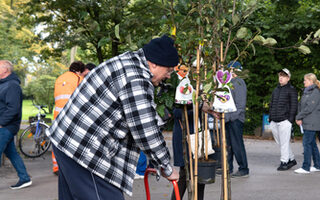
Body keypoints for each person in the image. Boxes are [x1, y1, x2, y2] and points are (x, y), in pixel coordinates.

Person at [46, 35, 179, 199]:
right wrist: (166, 166)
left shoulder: (127, 62)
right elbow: (145, 131)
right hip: (85, 150)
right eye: (168, 70)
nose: (168, 75)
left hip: (67, 141)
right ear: (154, 63)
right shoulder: (136, 78)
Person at [51, 61, 89, 175]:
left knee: (57, 141)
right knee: (74, 141)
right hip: (71, 115)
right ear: (79, 71)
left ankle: (57, 167)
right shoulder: (79, 79)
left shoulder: (59, 78)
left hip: (57, 114)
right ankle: (74, 167)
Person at [0, 60, 32, 189]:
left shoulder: (12, 85)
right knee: (11, 153)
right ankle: (24, 178)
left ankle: (25, 178)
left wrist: (1, 123)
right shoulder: (4, 84)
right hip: (5, 126)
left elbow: (13, 108)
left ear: (5, 70)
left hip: (6, 126)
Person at [269, 68, 298, 171]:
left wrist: (289, 120)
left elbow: (294, 106)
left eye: (284, 76)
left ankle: (284, 162)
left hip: (285, 121)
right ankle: (292, 159)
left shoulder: (292, 90)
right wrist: (270, 118)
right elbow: (271, 104)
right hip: (274, 121)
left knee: (284, 142)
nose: (281, 78)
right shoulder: (276, 90)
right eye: (280, 75)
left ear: (288, 78)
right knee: (281, 142)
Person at [225, 61, 249, 177]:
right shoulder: (228, 83)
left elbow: (240, 105)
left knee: (237, 144)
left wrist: (231, 117)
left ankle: (243, 168)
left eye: (230, 69)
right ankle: (228, 167)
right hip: (228, 119)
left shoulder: (239, 82)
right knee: (228, 145)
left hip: (235, 119)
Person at [294, 73, 320, 174]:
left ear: (311, 81)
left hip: (312, 122)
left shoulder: (315, 92)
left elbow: (309, 108)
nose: (304, 82)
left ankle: (306, 167)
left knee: (306, 143)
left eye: (305, 80)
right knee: (312, 144)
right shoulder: (307, 92)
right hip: (307, 121)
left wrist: (299, 116)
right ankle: (318, 165)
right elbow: (301, 105)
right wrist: (300, 117)